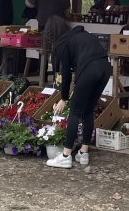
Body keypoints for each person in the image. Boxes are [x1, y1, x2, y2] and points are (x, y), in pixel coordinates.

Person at [44, 18, 111, 169]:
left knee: (75, 112)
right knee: (88, 110)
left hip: (89, 70)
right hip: (105, 68)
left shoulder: (62, 44)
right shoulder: (82, 35)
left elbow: (66, 73)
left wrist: (64, 97)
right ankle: (84, 153)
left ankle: (66, 156)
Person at [0, 0, 34, 74]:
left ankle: (2, 67)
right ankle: (2, 67)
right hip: (4, 21)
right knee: (3, 45)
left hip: (5, 21)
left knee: (4, 45)